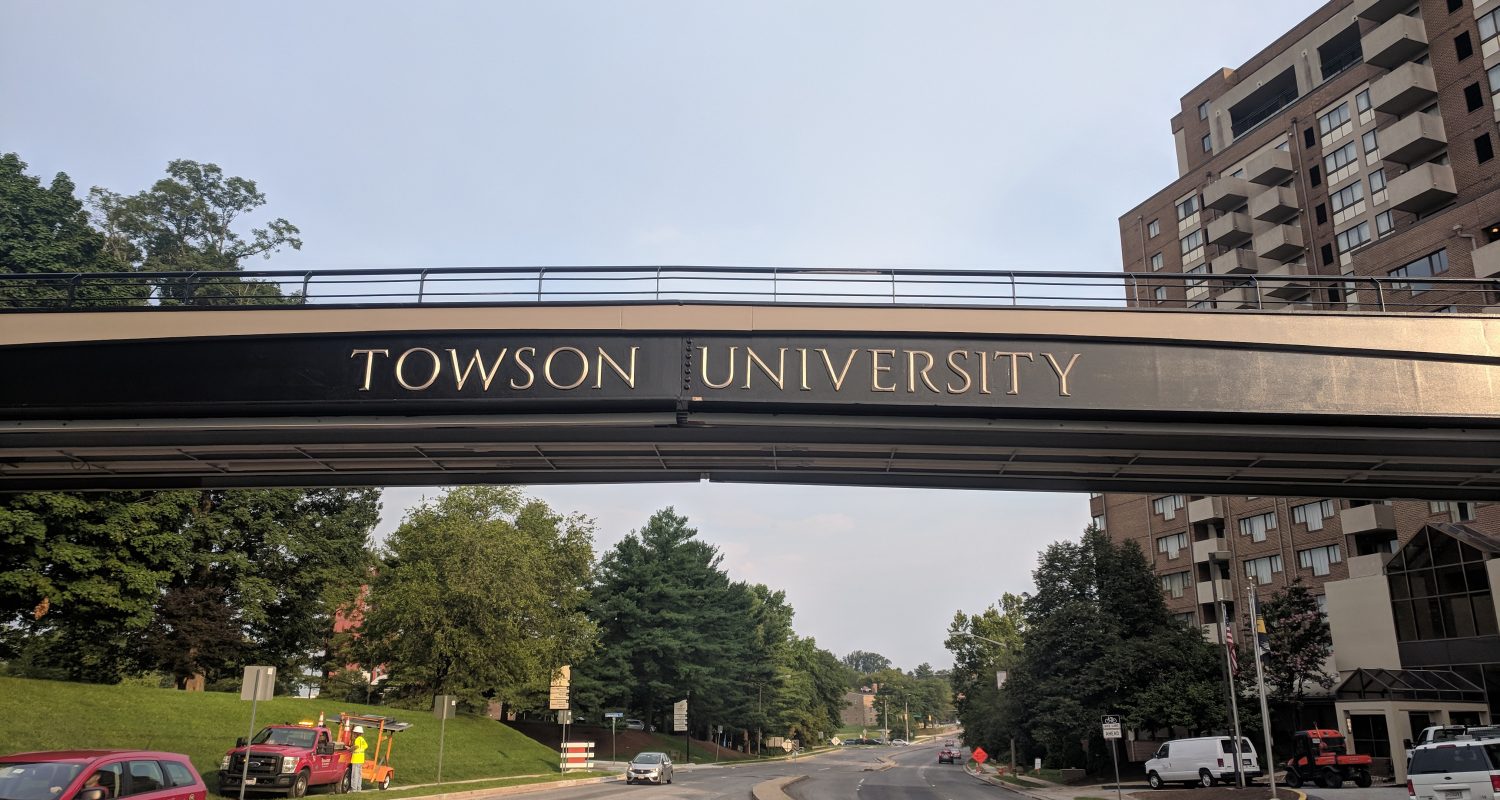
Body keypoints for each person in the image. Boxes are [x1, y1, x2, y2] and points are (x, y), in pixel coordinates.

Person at [349, 726, 368, 792]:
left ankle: (353, 789)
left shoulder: (357, 739)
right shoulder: (362, 739)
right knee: (359, 775)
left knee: (355, 775)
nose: (353, 734)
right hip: (361, 759)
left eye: (354, 733)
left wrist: (350, 749)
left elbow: (356, 746)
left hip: (356, 759)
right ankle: (359, 788)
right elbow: (366, 746)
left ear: (356, 733)